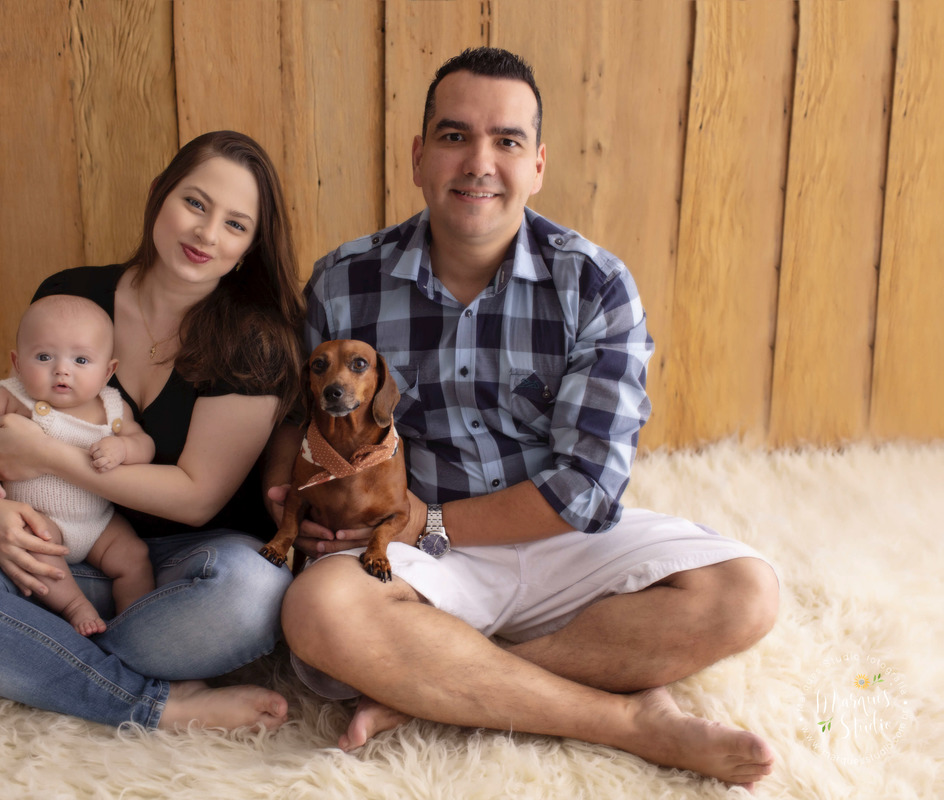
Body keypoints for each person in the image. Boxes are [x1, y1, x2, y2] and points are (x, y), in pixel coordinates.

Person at [263, 48, 780, 789]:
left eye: (505, 141)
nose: (479, 162)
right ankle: (625, 721)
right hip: (416, 557)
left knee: (745, 592)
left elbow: (587, 492)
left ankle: (437, 692)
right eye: (453, 136)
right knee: (318, 614)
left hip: (555, 541)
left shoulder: (595, 284)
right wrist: (295, 505)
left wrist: (432, 521)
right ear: (418, 157)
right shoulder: (347, 281)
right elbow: (293, 422)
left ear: (537, 165)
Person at [0, 130, 305, 733]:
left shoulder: (255, 341)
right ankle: (156, 703)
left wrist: (54, 460)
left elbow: (196, 496)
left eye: (236, 225)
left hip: (201, 567)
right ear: (160, 196)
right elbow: (1, 430)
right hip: (77, 550)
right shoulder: (71, 296)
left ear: (249, 249)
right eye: (195, 203)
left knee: (252, 596)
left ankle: (22, 656)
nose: (207, 235)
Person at [0, 294, 157, 636]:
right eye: (44, 356)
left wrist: (123, 448)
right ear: (17, 363)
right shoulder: (14, 397)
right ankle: (75, 605)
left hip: (98, 524)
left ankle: (138, 629)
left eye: (81, 360)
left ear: (108, 370)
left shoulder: (112, 407)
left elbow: (145, 445)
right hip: (41, 520)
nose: (62, 370)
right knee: (36, 548)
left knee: (135, 557)